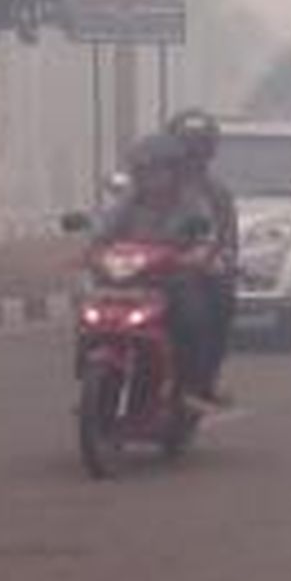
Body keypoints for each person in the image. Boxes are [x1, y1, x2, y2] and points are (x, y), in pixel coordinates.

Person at [93, 132, 225, 412]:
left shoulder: (192, 203)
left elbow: (207, 235)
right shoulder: (129, 202)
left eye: (158, 170)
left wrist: (197, 255)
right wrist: (94, 248)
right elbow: (105, 231)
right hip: (130, 282)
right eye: (144, 171)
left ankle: (191, 385)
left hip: (172, 282)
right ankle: (93, 369)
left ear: (175, 171)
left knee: (193, 318)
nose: (152, 178)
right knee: (91, 313)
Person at [165, 110, 239, 408]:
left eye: (198, 145)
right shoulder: (149, 183)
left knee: (214, 307)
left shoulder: (217, 193)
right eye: (185, 144)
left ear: (209, 150)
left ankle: (202, 380)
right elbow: (118, 218)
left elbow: (227, 239)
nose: (191, 152)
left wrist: (220, 258)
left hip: (192, 272)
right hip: (150, 268)